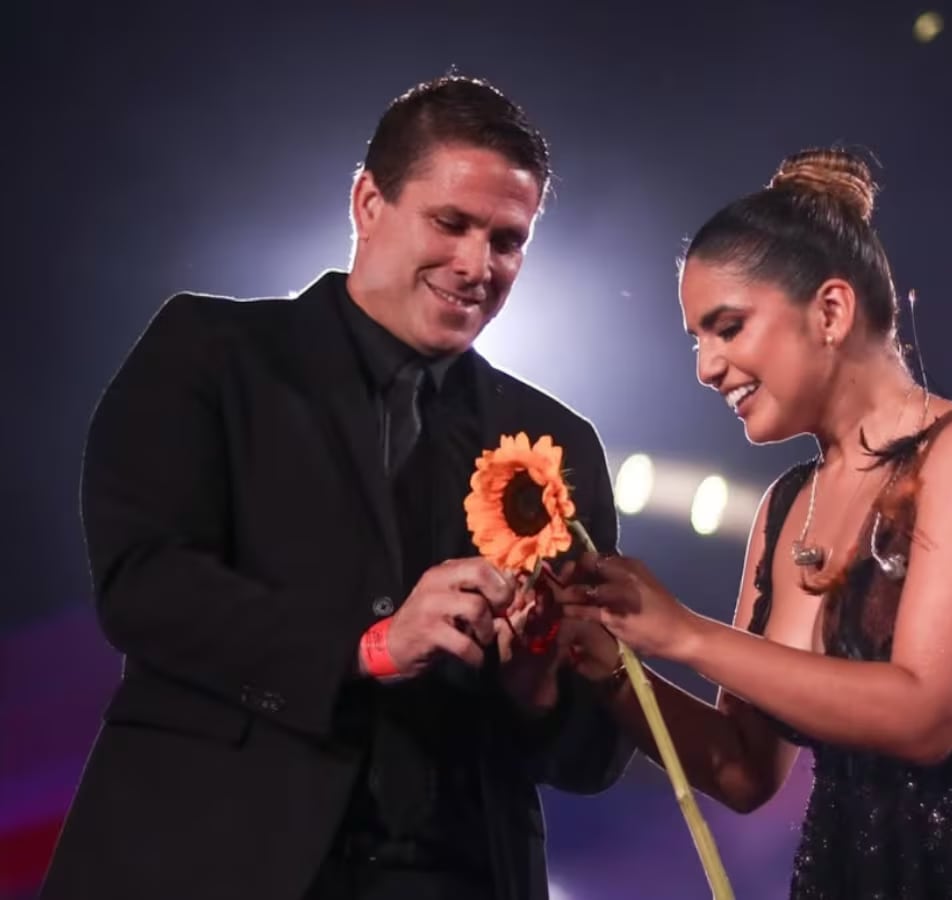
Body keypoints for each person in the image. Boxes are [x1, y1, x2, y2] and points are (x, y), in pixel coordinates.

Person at [41, 75, 630, 900]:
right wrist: (368, 646)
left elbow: (593, 755)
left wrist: (535, 687)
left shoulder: (558, 442)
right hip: (210, 860)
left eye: (506, 240)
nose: (477, 265)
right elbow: (145, 586)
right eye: (451, 223)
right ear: (367, 202)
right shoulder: (210, 351)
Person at [554, 148, 952, 897]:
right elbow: (743, 769)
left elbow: (926, 717)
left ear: (832, 312)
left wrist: (683, 634)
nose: (706, 368)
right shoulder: (786, 506)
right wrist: (615, 670)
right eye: (697, 340)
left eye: (728, 328)